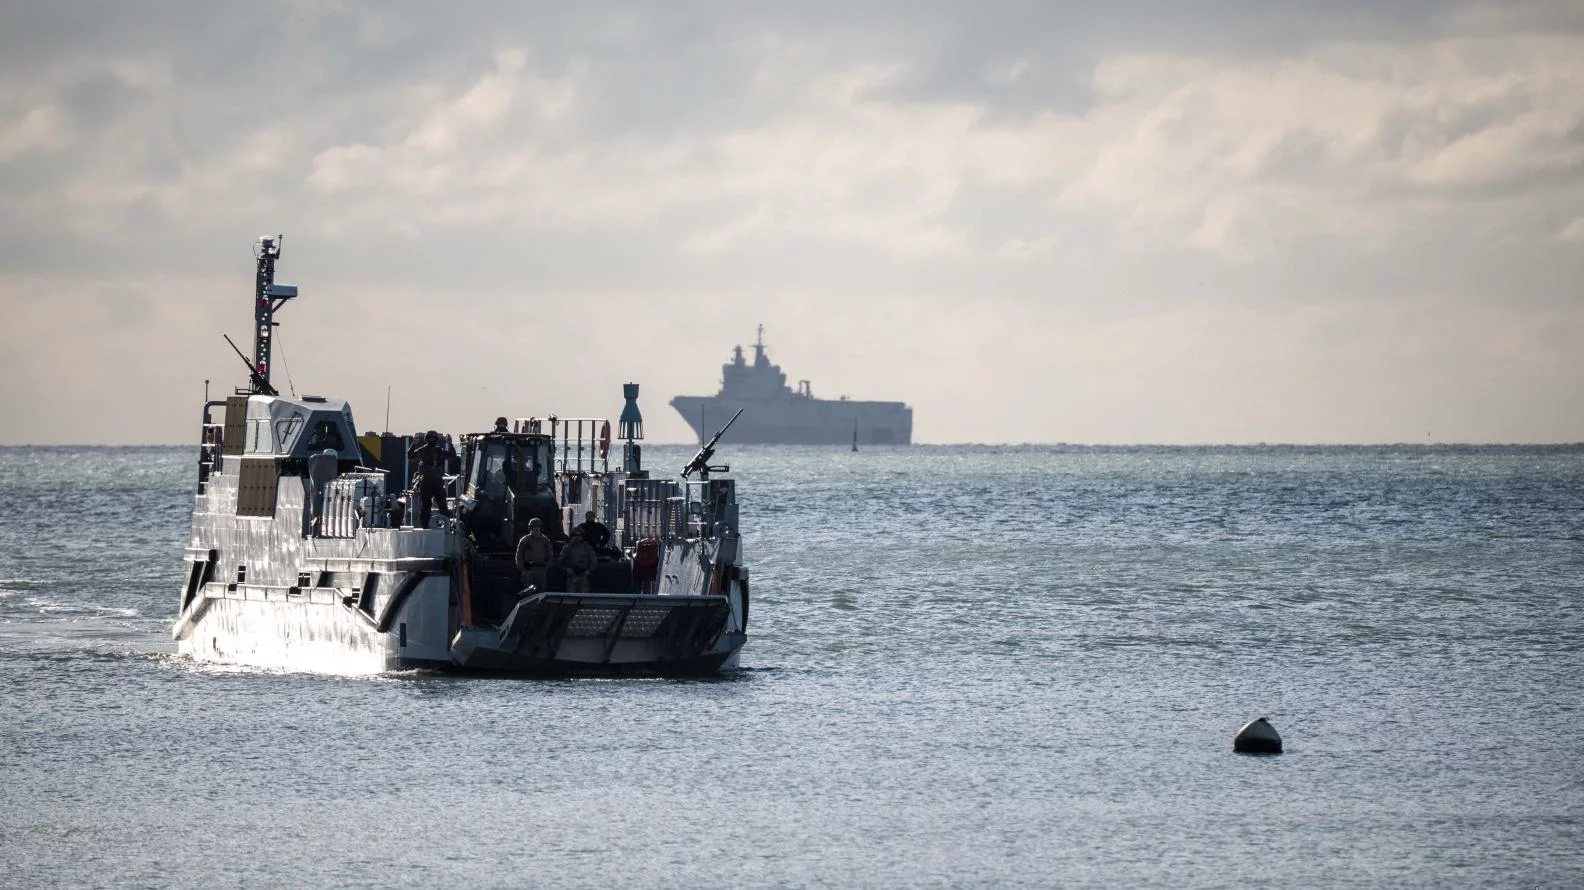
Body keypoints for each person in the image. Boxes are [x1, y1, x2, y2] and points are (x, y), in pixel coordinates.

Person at [514, 518, 553, 593]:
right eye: (534, 527)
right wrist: (522, 567)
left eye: (538, 527)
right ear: (530, 528)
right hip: (529, 570)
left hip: (541, 569)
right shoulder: (525, 540)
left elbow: (550, 555)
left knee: (542, 591)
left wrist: (547, 565)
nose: (536, 529)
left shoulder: (545, 540)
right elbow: (519, 555)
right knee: (528, 591)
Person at [413, 458, 449, 527]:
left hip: (433, 483)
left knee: (440, 506)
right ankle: (426, 526)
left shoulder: (435, 452)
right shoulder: (427, 452)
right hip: (430, 484)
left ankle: (444, 525)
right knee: (427, 507)